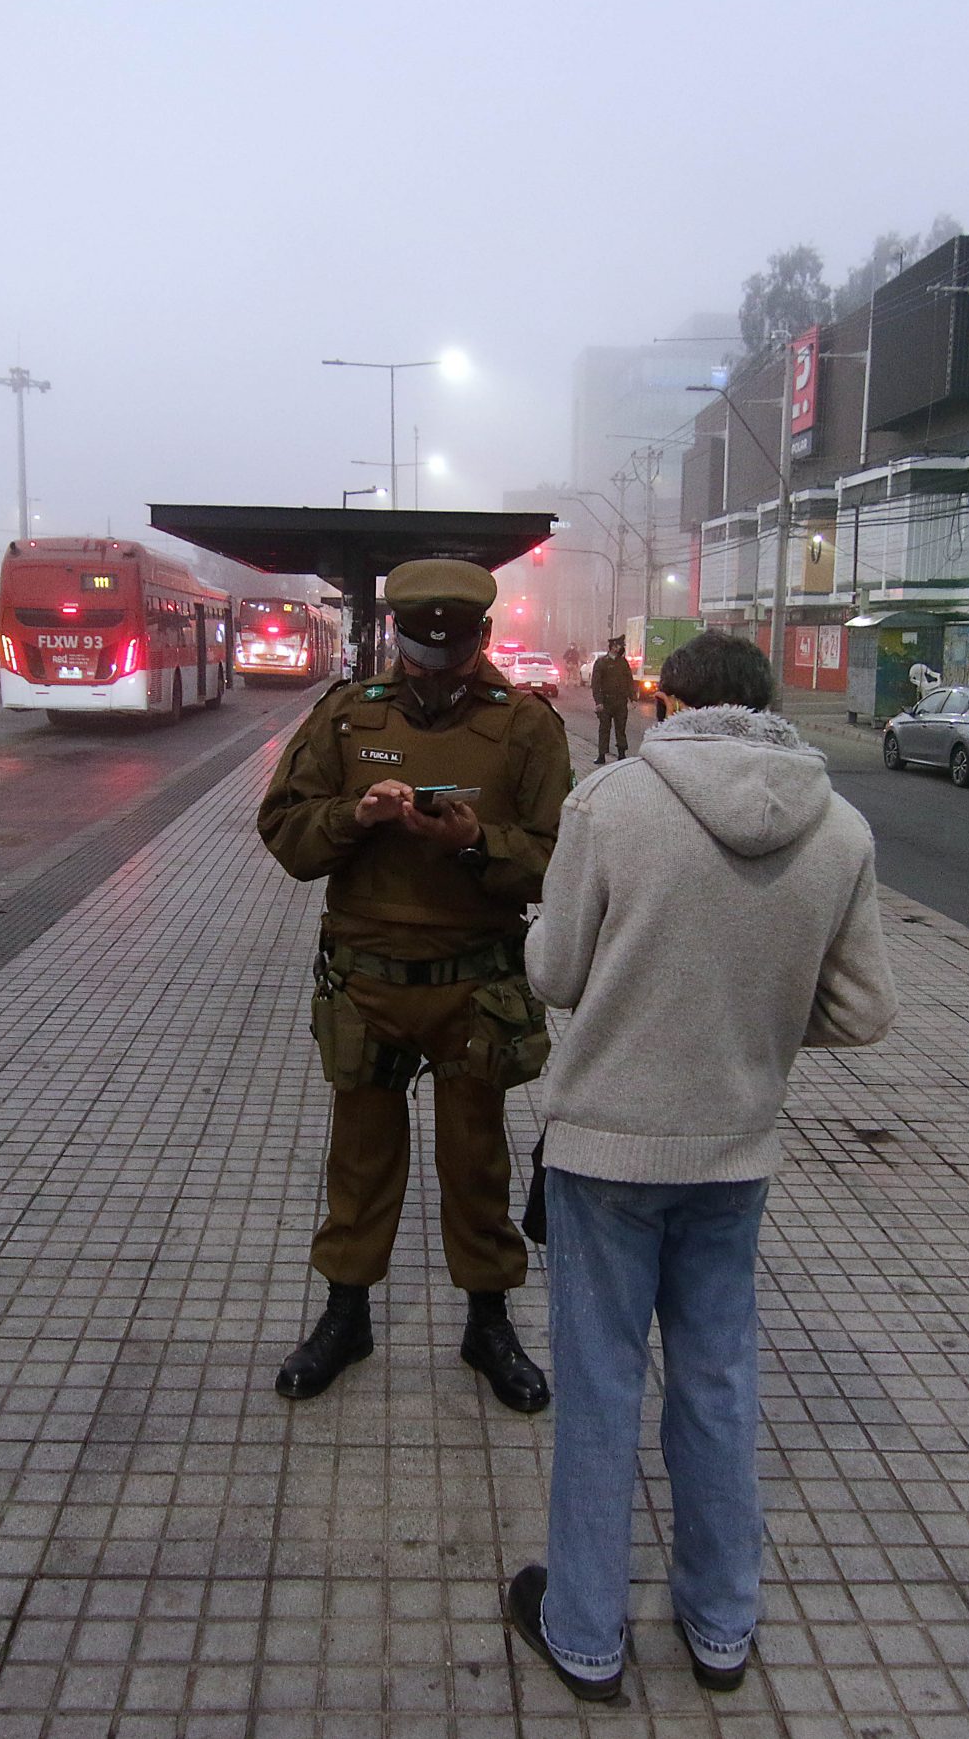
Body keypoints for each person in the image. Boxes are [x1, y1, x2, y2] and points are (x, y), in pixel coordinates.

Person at [503, 629, 897, 1702]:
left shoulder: (611, 804)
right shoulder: (840, 825)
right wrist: (749, 1023)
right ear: (765, 704)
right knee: (718, 1381)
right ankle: (722, 1626)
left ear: (667, 701)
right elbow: (864, 1009)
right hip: (733, 1152)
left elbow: (555, 972)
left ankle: (585, 1632)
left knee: (599, 1385)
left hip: (607, 1148)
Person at [256, 558, 571, 1412]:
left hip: (477, 988)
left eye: (455, 648)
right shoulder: (347, 717)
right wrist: (352, 818)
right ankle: (346, 1313)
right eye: (421, 648)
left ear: (482, 639)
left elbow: (558, 863)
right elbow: (283, 832)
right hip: (369, 984)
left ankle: (488, 1320)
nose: (437, 666)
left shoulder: (527, 728)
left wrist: (473, 843)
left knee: (477, 1162)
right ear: (396, 636)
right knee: (358, 1160)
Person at [589, 637, 636, 764]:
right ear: (611, 647)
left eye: (620, 646)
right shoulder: (601, 662)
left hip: (620, 702)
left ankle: (621, 753)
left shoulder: (623, 663)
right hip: (606, 702)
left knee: (621, 728)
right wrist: (598, 702)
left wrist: (633, 698)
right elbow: (596, 684)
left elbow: (629, 681)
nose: (619, 648)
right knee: (604, 728)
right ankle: (602, 754)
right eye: (616, 646)